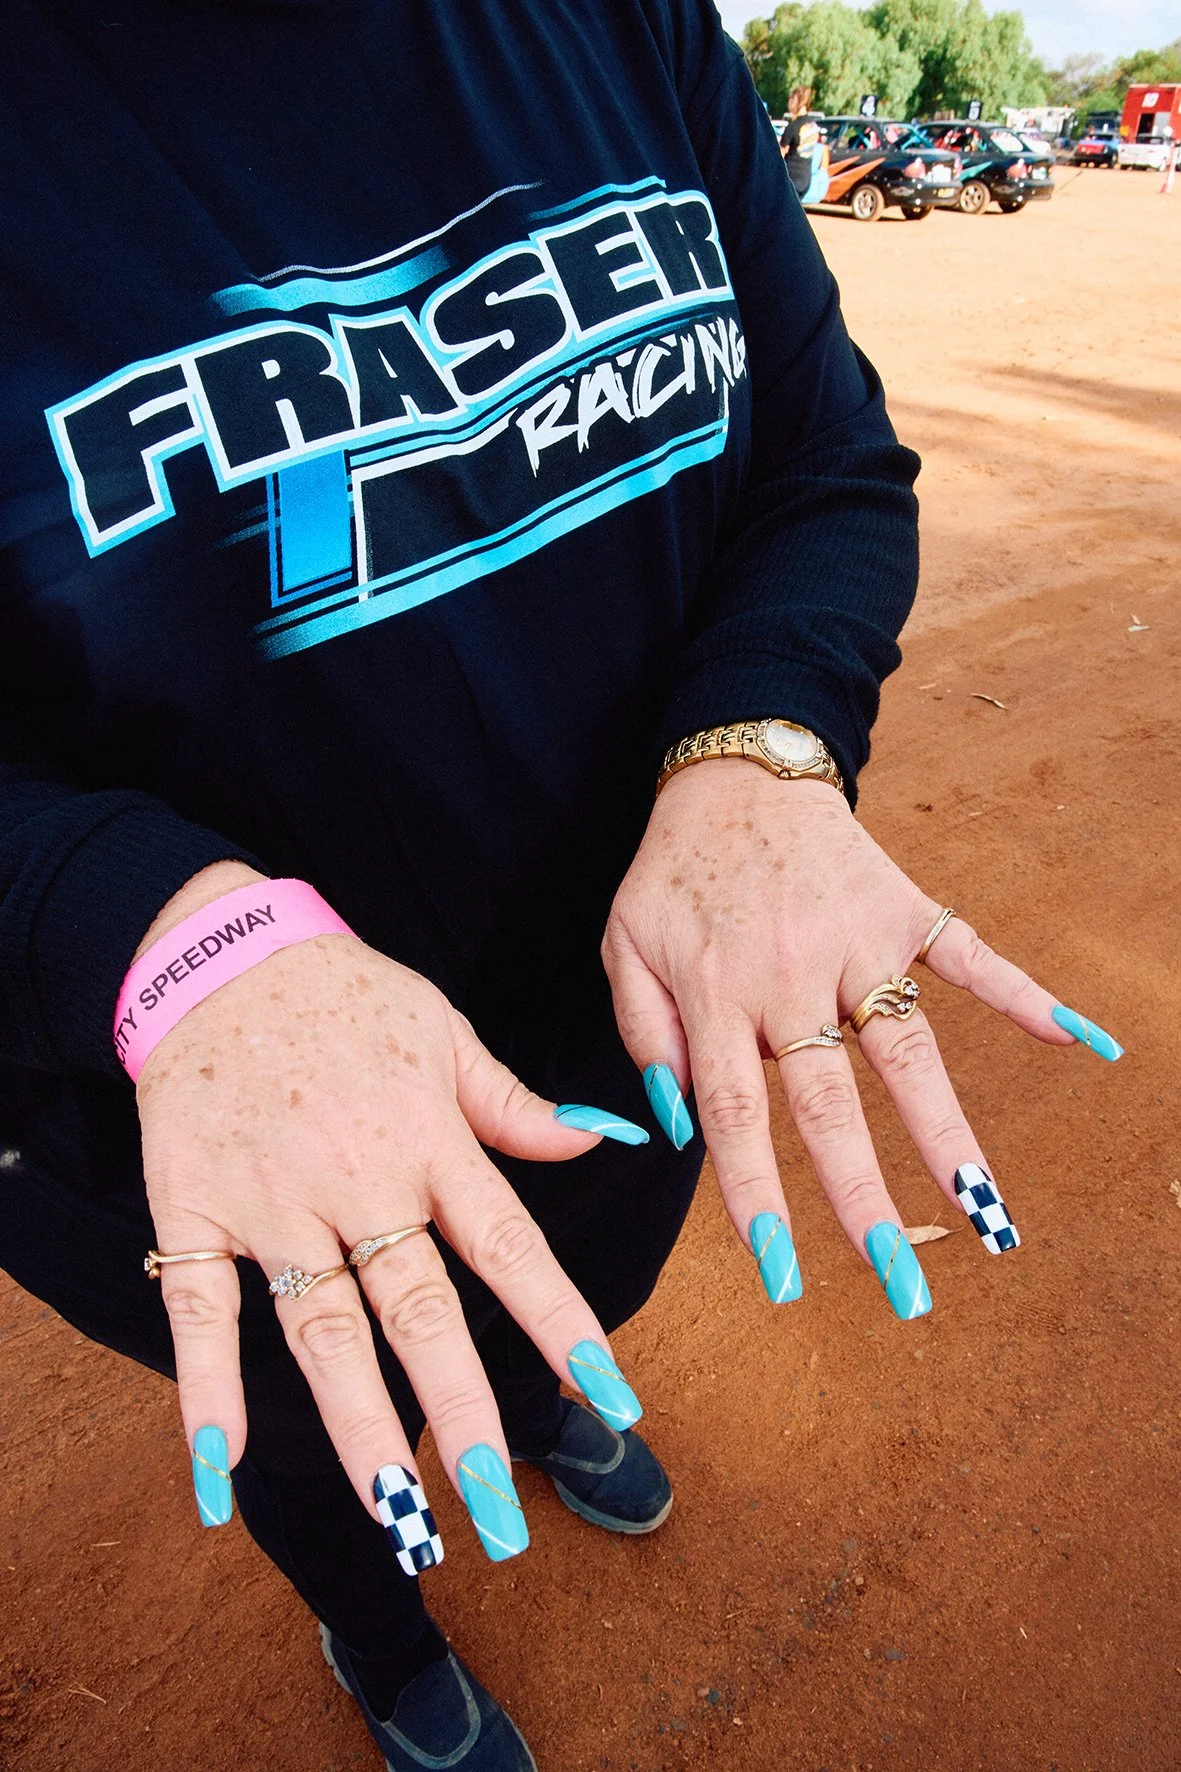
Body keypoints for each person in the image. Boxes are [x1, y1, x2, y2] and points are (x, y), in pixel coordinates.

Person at [0, 3, 1122, 1768]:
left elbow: (821, 463)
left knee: (560, 1297)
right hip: (228, 1122)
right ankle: (381, 1634)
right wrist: (154, 922)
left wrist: (757, 738)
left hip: (631, 1029)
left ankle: (546, 1385)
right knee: (320, 1416)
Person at [779, 84, 822, 198]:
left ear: (798, 101)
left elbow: (780, 154)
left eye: (791, 99)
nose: (789, 102)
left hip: (791, 178)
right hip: (806, 179)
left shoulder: (793, 126)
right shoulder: (813, 125)